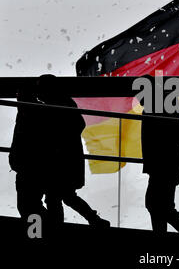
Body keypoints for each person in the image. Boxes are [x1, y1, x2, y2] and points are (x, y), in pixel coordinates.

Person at [36, 74, 110, 228]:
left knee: (55, 196)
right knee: (65, 196)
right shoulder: (65, 103)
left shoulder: (55, 105)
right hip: (67, 158)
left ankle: (60, 226)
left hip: (60, 160)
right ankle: (93, 219)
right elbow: (79, 125)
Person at [140, 76, 179, 236]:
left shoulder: (157, 108)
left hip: (163, 165)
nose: (138, 99)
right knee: (160, 206)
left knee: (157, 205)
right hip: (167, 164)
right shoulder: (162, 106)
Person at [9, 85, 48, 224]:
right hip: (30, 165)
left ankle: (41, 230)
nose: (17, 97)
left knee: (28, 206)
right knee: (31, 205)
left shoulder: (28, 111)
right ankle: (41, 230)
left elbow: (22, 139)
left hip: (28, 166)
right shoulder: (34, 110)